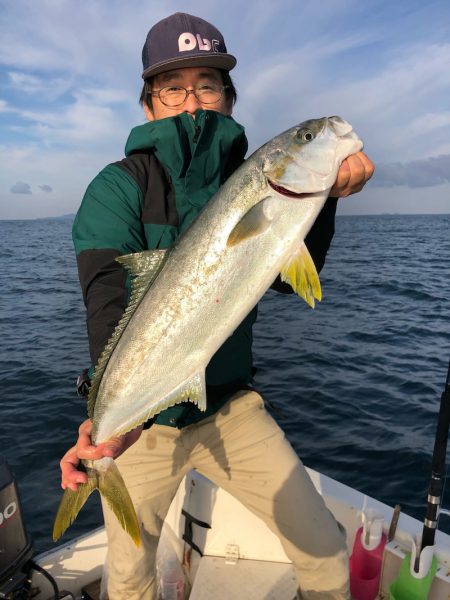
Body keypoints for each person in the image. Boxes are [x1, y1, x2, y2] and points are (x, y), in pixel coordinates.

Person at [60, 12, 374, 600]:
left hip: (233, 407)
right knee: (128, 582)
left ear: (228, 99)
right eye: (172, 87)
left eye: (207, 84)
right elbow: (108, 311)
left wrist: (325, 200)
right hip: (145, 429)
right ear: (149, 105)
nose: (192, 100)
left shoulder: (252, 178)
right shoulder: (117, 188)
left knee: (328, 556)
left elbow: (285, 280)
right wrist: (112, 426)